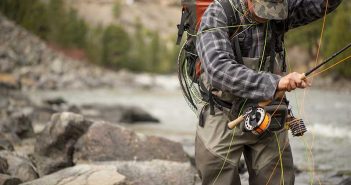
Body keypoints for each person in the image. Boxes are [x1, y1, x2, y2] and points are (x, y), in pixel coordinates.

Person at [195, 0, 343, 184]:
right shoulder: (218, 13)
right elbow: (218, 69)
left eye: (275, 11)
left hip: (270, 113)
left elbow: (321, 5)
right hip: (222, 114)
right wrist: (276, 83)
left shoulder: (281, 11)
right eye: (264, 9)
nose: (269, 16)